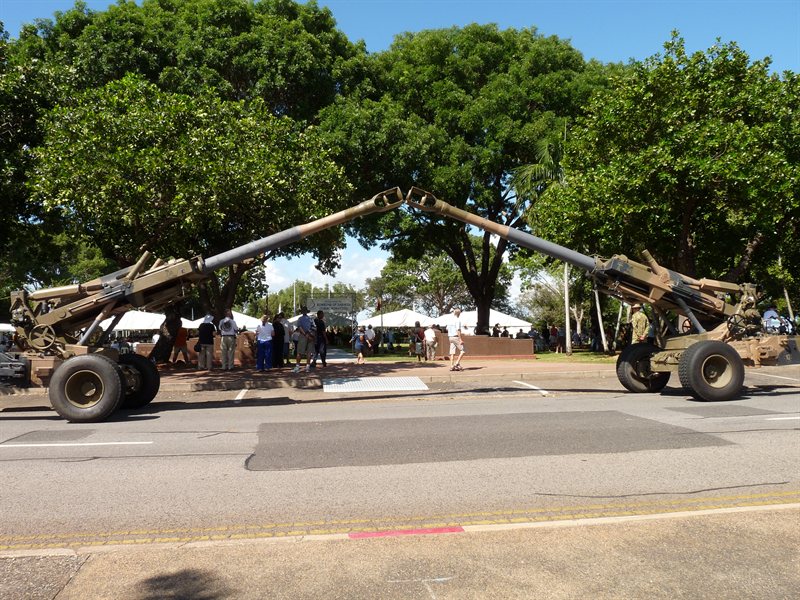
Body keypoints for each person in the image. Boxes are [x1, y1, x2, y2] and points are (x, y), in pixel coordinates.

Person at [292, 305, 315, 373]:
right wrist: (311, 335)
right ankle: (307, 367)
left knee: (299, 352)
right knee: (309, 352)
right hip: (310, 336)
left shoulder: (300, 319)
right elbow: (314, 327)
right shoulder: (311, 319)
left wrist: (305, 334)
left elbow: (299, 327)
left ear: (302, 312)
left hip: (303, 336)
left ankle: (297, 366)